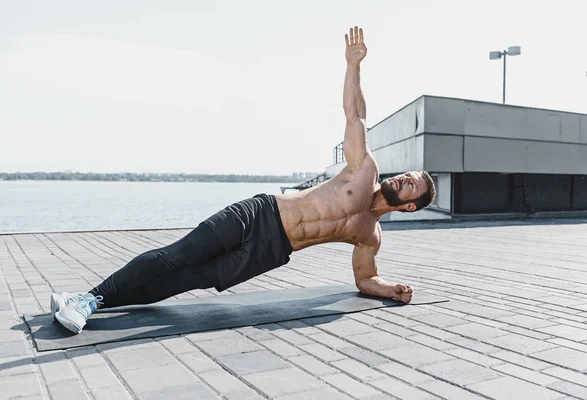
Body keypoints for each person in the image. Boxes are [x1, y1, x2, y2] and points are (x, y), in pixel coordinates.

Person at [52, 26, 437, 334]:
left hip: (270, 252)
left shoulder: (369, 235)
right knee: (177, 255)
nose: (404, 178)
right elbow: (355, 116)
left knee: (184, 280)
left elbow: (365, 278)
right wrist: (353, 65)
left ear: (408, 206)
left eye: (410, 185)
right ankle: (88, 300)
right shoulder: (365, 168)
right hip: (260, 214)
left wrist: (390, 290)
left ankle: (90, 300)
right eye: (407, 176)